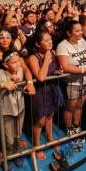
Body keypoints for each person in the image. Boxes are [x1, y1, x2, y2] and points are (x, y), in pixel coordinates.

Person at [56, 19, 86, 141]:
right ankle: (69, 128)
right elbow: (65, 67)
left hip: (85, 80)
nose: (81, 33)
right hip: (71, 82)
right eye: (77, 31)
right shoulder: (62, 46)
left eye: (81, 30)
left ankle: (76, 126)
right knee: (70, 108)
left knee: (80, 106)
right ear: (69, 33)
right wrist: (85, 70)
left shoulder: (82, 41)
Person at [0, 51, 35, 167]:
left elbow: (27, 71)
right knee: (8, 138)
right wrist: (2, 86)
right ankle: (8, 157)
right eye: (14, 62)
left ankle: (15, 153)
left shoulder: (21, 70)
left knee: (17, 134)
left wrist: (29, 83)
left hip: (20, 110)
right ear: (6, 65)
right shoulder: (0, 73)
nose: (18, 64)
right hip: (6, 112)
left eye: (18, 61)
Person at [27, 28, 64, 159]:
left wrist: (56, 73)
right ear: (38, 44)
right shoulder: (33, 57)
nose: (50, 42)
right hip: (40, 92)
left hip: (52, 89)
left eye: (50, 39)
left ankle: (50, 137)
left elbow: (51, 72)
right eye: (46, 40)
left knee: (50, 116)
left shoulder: (53, 52)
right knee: (40, 121)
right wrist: (47, 59)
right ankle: (37, 146)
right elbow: (41, 77)